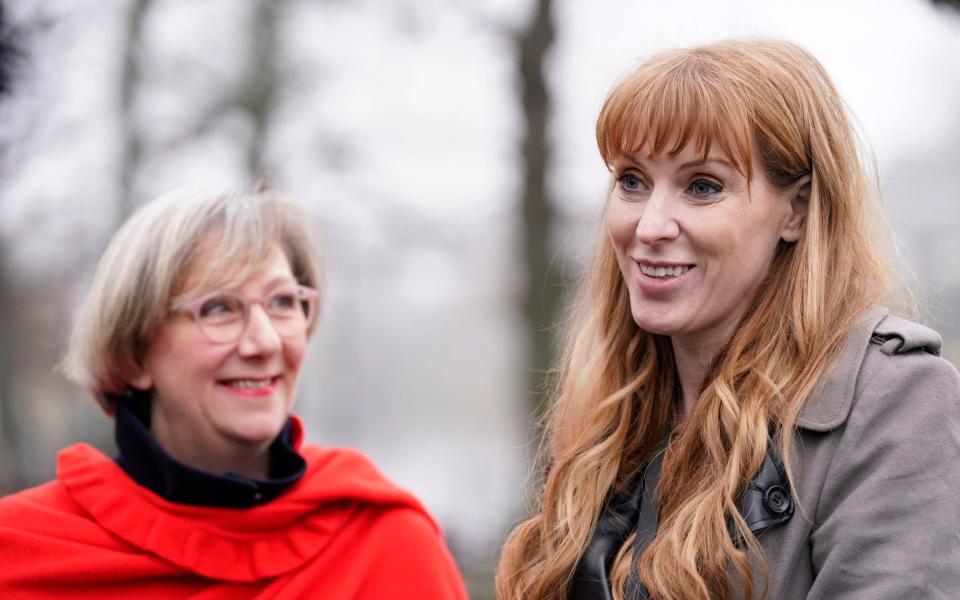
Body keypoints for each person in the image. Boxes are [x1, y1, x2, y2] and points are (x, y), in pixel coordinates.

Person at [496, 39, 960, 600]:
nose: (649, 226)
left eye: (702, 187)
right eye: (632, 181)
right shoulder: (606, 417)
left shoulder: (894, 399)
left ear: (796, 209)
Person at [0, 187, 468, 599]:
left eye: (284, 302)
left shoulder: (384, 545)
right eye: (220, 307)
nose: (265, 342)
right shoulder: (20, 554)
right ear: (133, 355)